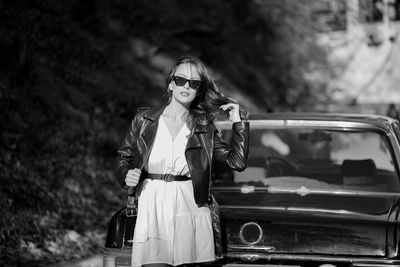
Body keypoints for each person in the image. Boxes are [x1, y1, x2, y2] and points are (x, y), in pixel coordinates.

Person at [115, 56, 249, 267]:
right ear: (170, 84)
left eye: (194, 83)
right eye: (180, 80)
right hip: (153, 205)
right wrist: (126, 175)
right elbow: (124, 158)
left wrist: (238, 123)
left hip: (191, 207)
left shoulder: (204, 127)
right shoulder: (144, 120)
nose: (186, 85)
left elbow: (237, 162)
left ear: (199, 90)